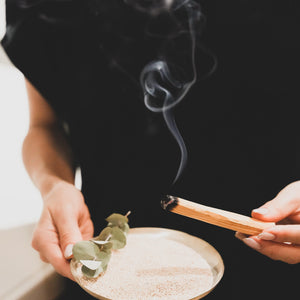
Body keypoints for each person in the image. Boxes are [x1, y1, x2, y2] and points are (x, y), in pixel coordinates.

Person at [2, 0, 300, 299]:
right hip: (108, 259)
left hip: (274, 255)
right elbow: (44, 127)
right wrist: (55, 186)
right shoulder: (40, 7)